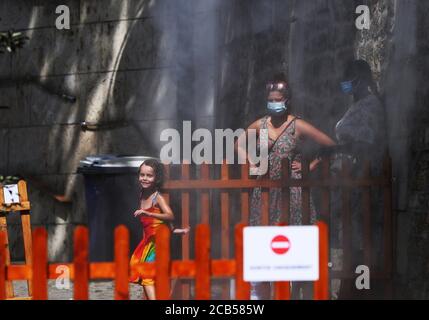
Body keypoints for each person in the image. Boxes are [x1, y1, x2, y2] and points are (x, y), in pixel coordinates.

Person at [236, 73, 336, 299]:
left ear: (286, 99)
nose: (274, 103)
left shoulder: (296, 125)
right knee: (263, 245)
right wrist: (251, 161)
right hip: (264, 193)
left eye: (277, 99)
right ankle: (261, 295)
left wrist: (311, 166)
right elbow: (238, 144)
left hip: (293, 193)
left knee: (292, 245)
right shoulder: (260, 124)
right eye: (270, 99)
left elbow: (330, 145)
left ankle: (293, 292)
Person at [320, 59, 386, 299]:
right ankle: (349, 286)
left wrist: (335, 149)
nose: (346, 84)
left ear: (361, 79)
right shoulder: (356, 105)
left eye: (350, 79)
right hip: (348, 181)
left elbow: (365, 143)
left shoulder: (370, 106)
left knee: (359, 236)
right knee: (347, 235)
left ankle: (358, 289)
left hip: (361, 180)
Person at [129, 159, 190, 300]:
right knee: (135, 265)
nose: (144, 178)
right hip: (147, 241)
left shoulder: (158, 197)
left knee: (146, 274)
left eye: (149, 176)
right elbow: (157, 224)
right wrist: (175, 230)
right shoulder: (141, 194)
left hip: (157, 243)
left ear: (157, 178)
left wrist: (149, 213)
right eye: (142, 175)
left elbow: (169, 215)